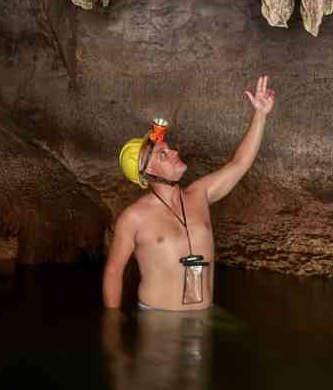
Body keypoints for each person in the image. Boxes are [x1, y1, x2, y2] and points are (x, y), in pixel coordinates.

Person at [103, 75, 276, 311]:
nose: (174, 152)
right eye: (163, 155)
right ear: (147, 174)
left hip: (201, 320)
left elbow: (240, 163)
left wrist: (260, 115)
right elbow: (114, 271)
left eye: (168, 148)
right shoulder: (134, 218)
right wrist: (112, 332)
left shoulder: (199, 194)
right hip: (160, 324)